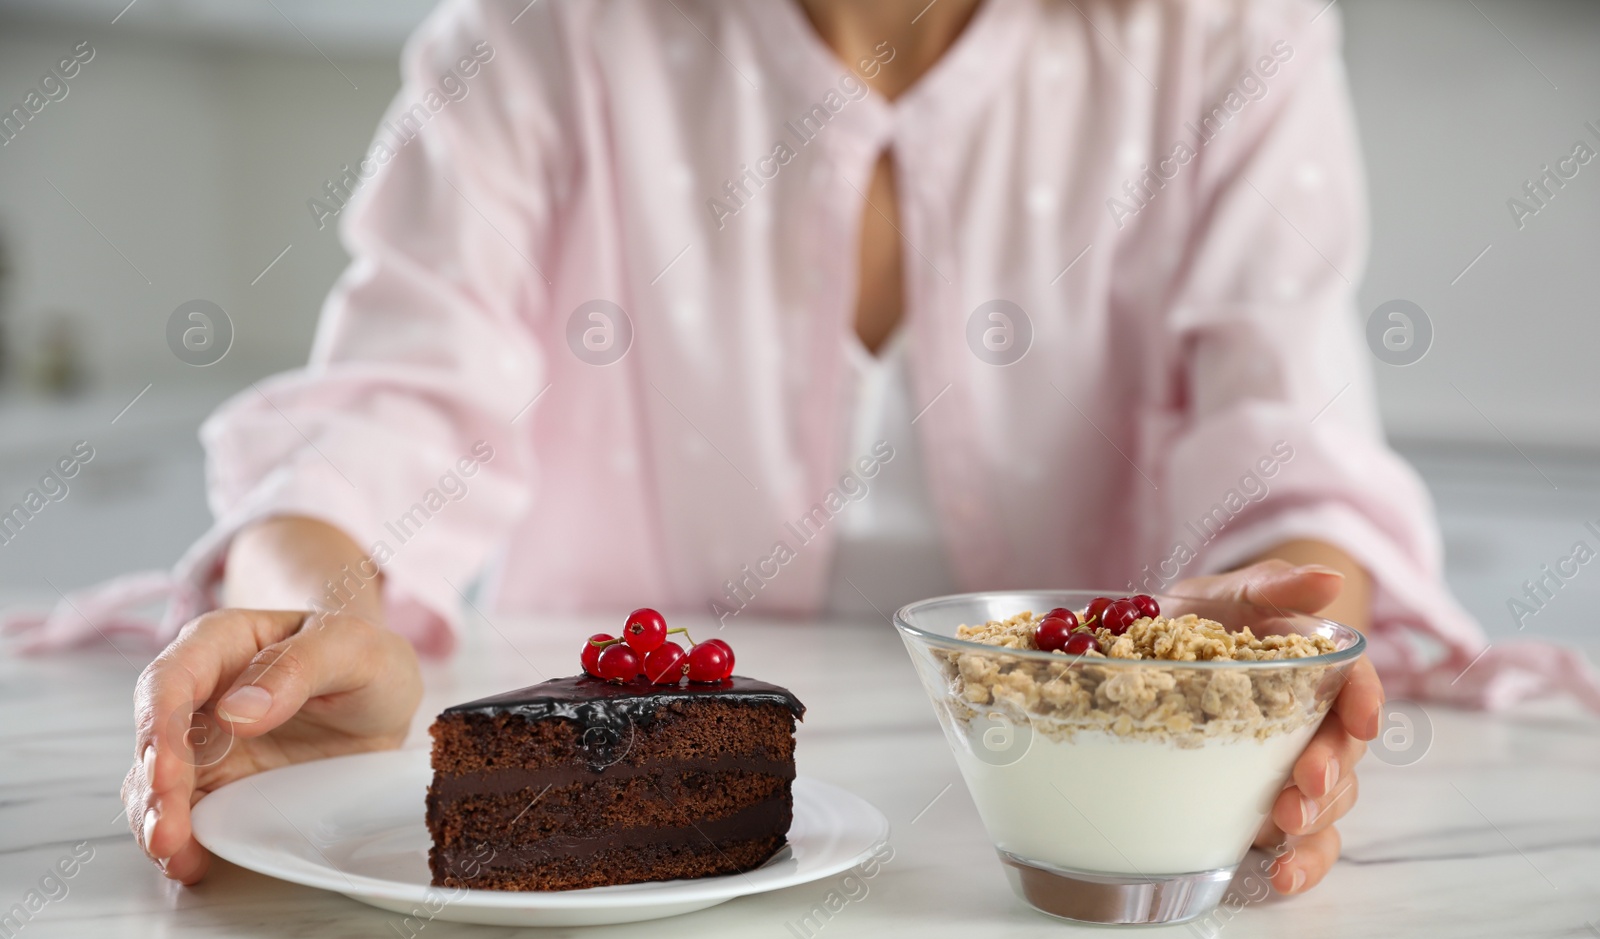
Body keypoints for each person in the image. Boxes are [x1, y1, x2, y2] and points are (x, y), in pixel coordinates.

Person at [52, 0, 1586, 893]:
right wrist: (320, 611)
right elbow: (387, 410)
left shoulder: (1227, 34)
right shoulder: (542, 34)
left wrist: (1278, 656)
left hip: (1076, 857)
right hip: (627, 885)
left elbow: (1292, 446)